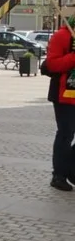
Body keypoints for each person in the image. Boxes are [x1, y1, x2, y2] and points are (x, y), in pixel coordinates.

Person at [43, 16, 75, 191]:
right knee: (66, 134)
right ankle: (59, 175)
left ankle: (71, 170)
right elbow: (53, 64)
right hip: (65, 94)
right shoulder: (62, 36)